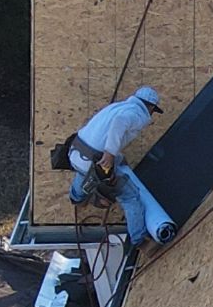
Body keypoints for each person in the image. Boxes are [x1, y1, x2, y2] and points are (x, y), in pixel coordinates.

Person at [67, 85, 177, 246]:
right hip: (93, 161)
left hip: (76, 153)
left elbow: (104, 134)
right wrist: (110, 154)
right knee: (130, 196)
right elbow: (120, 123)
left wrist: (115, 156)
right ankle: (140, 240)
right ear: (150, 106)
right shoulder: (136, 113)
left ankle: (77, 198)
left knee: (84, 171)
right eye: (153, 110)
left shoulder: (117, 107)